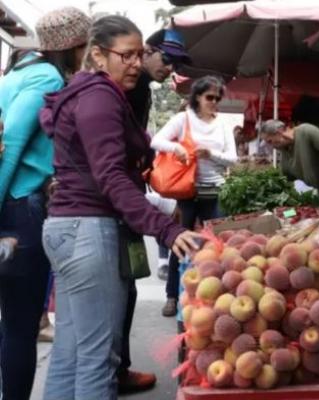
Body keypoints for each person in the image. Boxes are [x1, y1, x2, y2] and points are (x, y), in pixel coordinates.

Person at [39, 15, 202, 399]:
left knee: (70, 352)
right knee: (98, 360)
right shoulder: (99, 97)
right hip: (88, 231)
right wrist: (166, 228)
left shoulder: (83, 93)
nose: (134, 63)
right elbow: (110, 177)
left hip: (67, 228)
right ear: (97, 54)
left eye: (138, 54)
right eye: (125, 55)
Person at [0, 7, 90, 399]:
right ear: (74, 45)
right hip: (18, 209)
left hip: (14, 203)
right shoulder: (46, 76)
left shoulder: (18, 72)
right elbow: (12, 144)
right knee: (20, 325)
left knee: (13, 324)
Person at [118, 28, 191, 393]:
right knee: (118, 291)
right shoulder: (122, 89)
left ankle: (117, 369)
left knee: (126, 286)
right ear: (144, 51)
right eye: (166, 59)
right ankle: (112, 372)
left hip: (126, 196)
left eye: (176, 63)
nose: (171, 68)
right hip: (113, 204)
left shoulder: (141, 90)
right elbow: (111, 163)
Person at [151, 75, 237, 317]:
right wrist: (177, 148)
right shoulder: (183, 119)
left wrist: (210, 154)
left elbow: (233, 158)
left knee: (218, 246)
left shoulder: (223, 124)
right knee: (181, 244)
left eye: (217, 98)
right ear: (197, 96)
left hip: (216, 191)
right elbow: (156, 141)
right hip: (187, 192)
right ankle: (171, 297)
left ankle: (213, 299)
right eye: (209, 97)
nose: (214, 102)